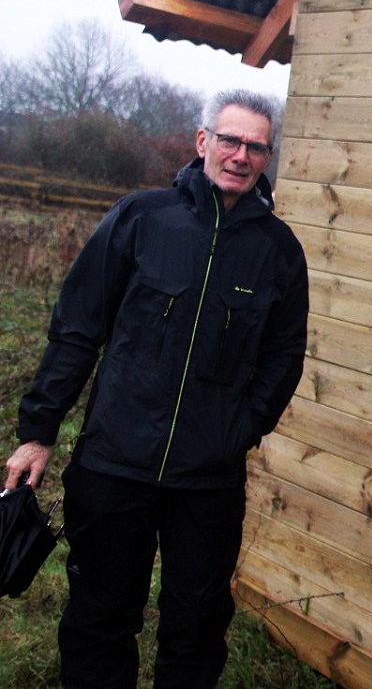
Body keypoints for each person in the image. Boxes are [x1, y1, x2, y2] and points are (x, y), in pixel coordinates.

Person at [3, 89, 309, 688]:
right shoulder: (141, 218)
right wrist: (38, 433)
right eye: (230, 140)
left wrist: (240, 430)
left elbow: (283, 357)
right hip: (114, 464)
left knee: (195, 631)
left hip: (208, 480)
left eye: (255, 147)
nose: (241, 156)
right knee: (99, 621)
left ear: (267, 158)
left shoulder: (278, 253)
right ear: (202, 143)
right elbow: (76, 328)